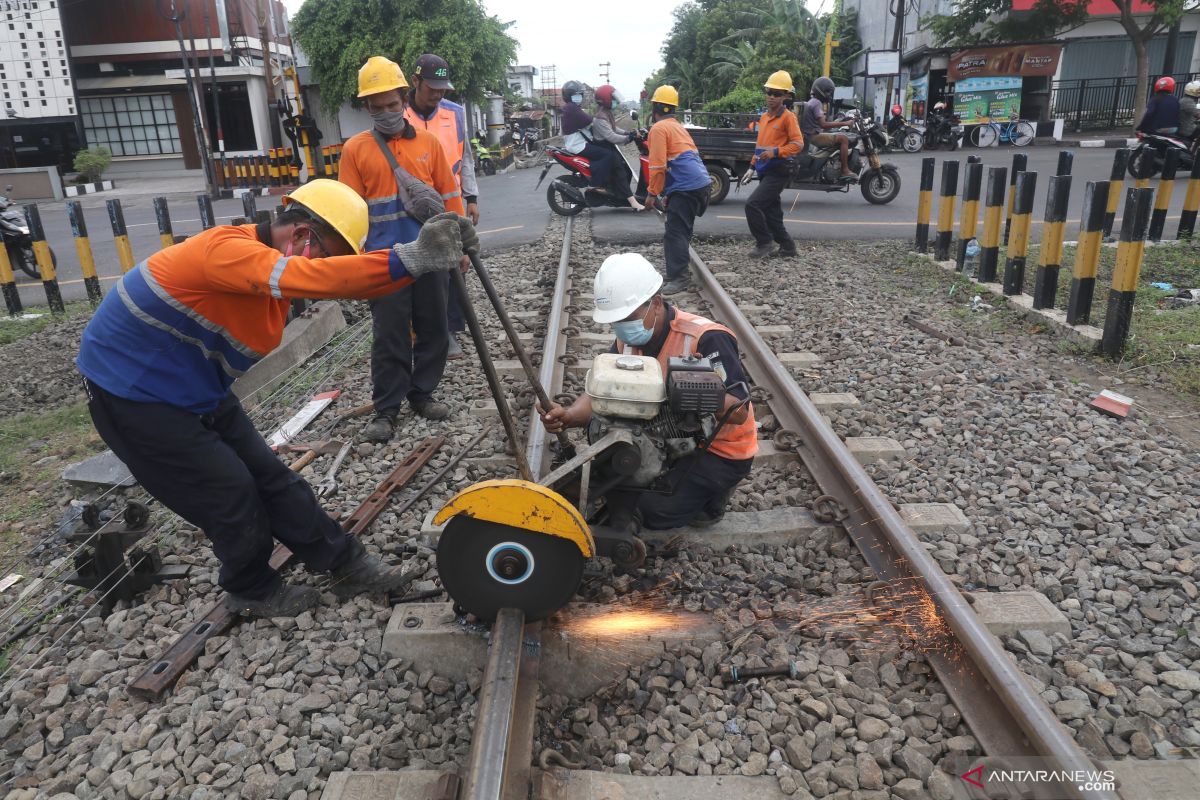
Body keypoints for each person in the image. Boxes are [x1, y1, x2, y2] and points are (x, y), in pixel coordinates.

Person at [76, 180, 478, 618]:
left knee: (272, 476)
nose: (327, 266)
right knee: (229, 491)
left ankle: (344, 562)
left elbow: (341, 281)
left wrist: (423, 260)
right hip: (133, 398)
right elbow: (320, 278)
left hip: (193, 390)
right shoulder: (229, 251)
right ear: (302, 234)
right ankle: (250, 589)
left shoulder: (264, 271)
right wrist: (411, 258)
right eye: (328, 253)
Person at [536, 253, 757, 529]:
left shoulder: (706, 338)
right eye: (615, 321)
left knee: (652, 511)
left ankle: (713, 498)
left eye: (627, 317)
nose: (621, 327)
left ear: (654, 303)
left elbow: (739, 411)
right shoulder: (626, 342)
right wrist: (567, 415)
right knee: (610, 484)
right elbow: (602, 393)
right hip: (664, 439)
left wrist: (687, 389)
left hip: (716, 450)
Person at [339, 56, 466, 442]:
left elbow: (449, 196)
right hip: (384, 262)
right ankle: (387, 410)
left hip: (431, 255)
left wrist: (458, 246)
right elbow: (348, 210)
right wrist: (354, 266)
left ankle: (422, 393)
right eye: (377, 108)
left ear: (403, 97)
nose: (386, 113)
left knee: (434, 328)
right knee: (390, 336)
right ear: (367, 108)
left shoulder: (428, 143)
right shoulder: (355, 150)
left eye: (392, 105)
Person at [404, 53, 479, 361]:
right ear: (415, 81)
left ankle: (450, 329)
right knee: (422, 269)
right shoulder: (400, 115)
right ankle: (426, 332)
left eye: (441, 89)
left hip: (449, 202)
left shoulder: (455, 114)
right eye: (431, 88)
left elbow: (467, 157)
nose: (436, 94)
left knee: (453, 266)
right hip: (413, 207)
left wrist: (471, 197)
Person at [643, 85, 712, 295]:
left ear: (655, 107)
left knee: (674, 232)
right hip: (701, 185)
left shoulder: (658, 129)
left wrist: (652, 194)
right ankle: (678, 269)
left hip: (687, 187)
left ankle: (679, 276)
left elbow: (657, 167)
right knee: (682, 230)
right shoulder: (677, 127)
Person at [744, 70, 804, 260]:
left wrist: (776, 152)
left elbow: (798, 144)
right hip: (764, 169)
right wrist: (751, 166)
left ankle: (764, 243)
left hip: (779, 170)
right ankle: (787, 247)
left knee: (752, 205)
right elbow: (760, 146)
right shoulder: (764, 117)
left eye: (776, 94)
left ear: (785, 96)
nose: (771, 96)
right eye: (769, 92)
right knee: (772, 212)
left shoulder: (788, 117)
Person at [560, 79, 615, 203]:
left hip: (575, 143)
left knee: (601, 153)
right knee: (607, 154)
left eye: (580, 95)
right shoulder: (572, 108)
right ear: (570, 96)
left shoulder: (570, 107)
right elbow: (590, 121)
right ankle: (595, 184)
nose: (580, 97)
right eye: (577, 95)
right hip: (578, 145)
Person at [591, 84, 644, 209]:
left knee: (626, 168)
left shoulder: (606, 112)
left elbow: (614, 128)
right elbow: (611, 136)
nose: (615, 101)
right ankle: (633, 202)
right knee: (619, 171)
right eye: (613, 99)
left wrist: (628, 133)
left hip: (608, 146)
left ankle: (618, 196)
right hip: (604, 147)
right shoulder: (600, 118)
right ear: (606, 100)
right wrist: (628, 138)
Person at [799, 76, 854, 181]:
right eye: (828, 92)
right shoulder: (817, 103)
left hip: (809, 135)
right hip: (813, 137)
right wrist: (845, 123)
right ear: (822, 91)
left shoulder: (812, 101)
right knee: (844, 139)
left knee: (837, 135)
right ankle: (845, 170)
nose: (829, 95)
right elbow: (823, 124)